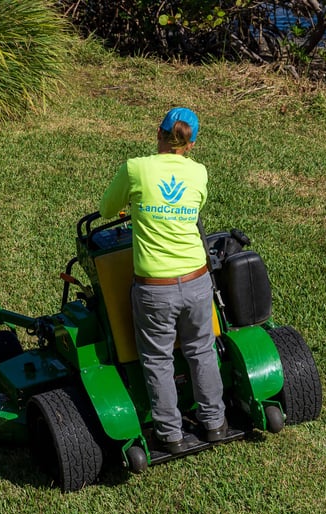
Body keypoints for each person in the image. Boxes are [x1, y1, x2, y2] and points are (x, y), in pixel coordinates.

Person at [99, 107, 227, 454]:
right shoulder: (199, 173)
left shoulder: (135, 168)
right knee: (201, 350)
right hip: (198, 280)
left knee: (157, 359)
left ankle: (169, 434)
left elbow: (108, 209)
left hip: (156, 289)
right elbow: (193, 207)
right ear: (192, 144)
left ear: (159, 132)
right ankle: (215, 423)